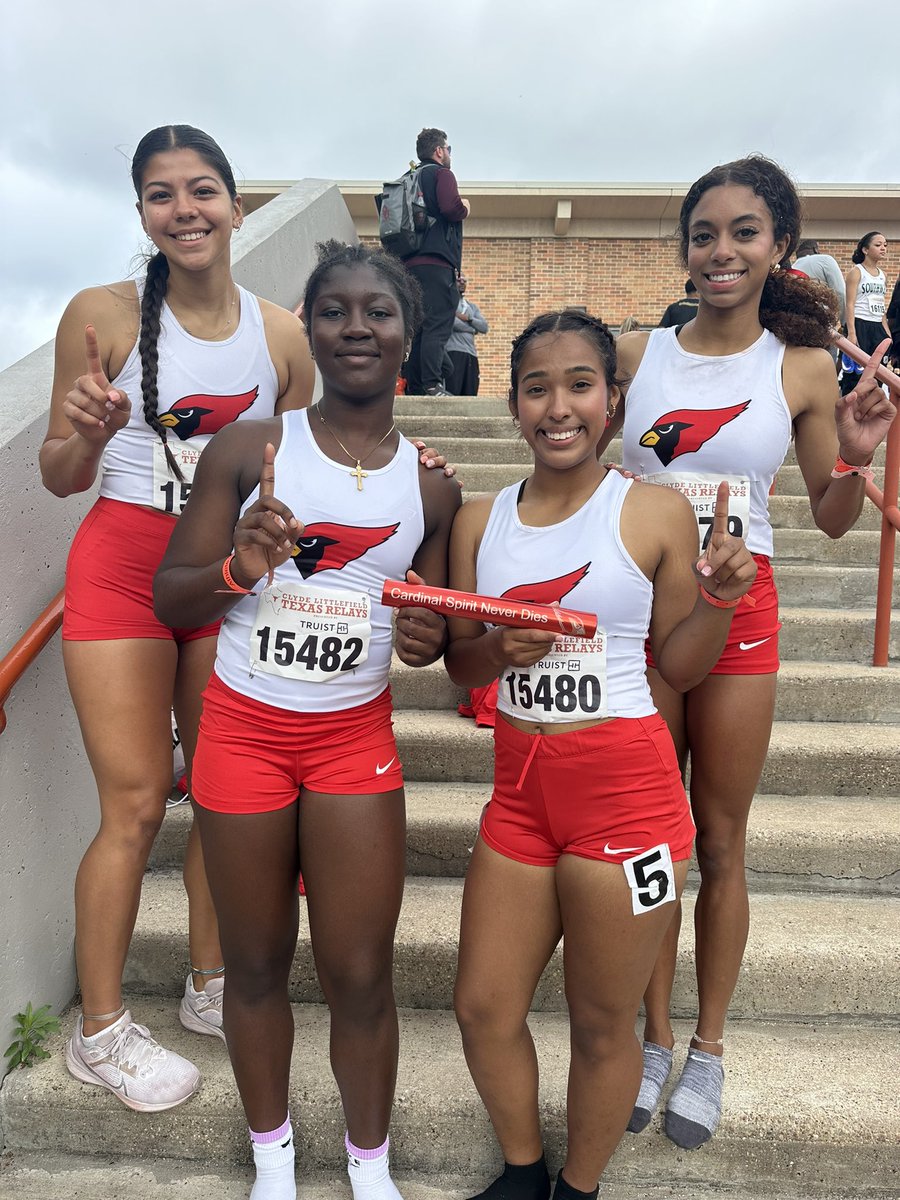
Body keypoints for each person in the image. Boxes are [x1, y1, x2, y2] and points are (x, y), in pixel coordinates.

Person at [154, 240, 461, 1200]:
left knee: (360, 972)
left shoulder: (434, 484)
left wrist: (428, 639)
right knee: (252, 968)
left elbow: (433, 631)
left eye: (379, 311)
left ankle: (370, 1167)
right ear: (310, 328)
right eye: (335, 310)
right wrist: (238, 567)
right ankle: (273, 1160)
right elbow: (171, 597)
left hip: (350, 739)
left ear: (409, 331)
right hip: (244, 732)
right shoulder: (248, 449)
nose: (356, 327)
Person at [607, 155, 895, 1150]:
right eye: (703, 234)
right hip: (643, 608)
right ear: (684, 250)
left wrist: (855, 454)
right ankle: (650, 1037)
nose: (720, 251)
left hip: (744, 605)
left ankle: (709, 1047)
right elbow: (580, 469)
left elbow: (830, 516)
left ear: (780, 247)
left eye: (743, 232)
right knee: (652, 837)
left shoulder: (801, 366)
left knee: (721, 839)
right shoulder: (637, 353)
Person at [446, 309, 759, 1200]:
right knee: (483, 1006)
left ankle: (578, 1189)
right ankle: (522, 1173)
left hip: (626, 797)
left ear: (612, 401)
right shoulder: (478, 521)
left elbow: (679, 667)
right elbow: (461, 665)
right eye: (536, 388)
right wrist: (492, 650)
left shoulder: (653, 511)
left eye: (579, 385)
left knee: (601, 1023)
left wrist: (721, 602)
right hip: (521, 794)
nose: (559, 407)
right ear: (513, 405)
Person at [39, 123, 316, 1112]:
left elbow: (302, 468)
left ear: (237, 207)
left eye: (203, 190)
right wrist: (85, 434)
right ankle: (101, 1030)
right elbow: (60, 477)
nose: (185, 209)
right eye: (162, 195)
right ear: (143, 214)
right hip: (121, 568)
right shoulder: (101, 315)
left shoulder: (282, 337)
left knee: (225, 792)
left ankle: (209, 981)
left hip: (223, 580)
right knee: (137, 802)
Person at [401, 128, 469, 397]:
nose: (449, 154)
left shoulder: (408, 177)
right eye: (448, 149)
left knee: (418, 327)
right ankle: (431, 385)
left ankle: (416, 387)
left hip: (408, 264)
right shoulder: (442, 174)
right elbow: (450, 208)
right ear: (439, 151)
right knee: (437, 325)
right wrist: (465, 207)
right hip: (436, 264)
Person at [841, 231, 891, 394]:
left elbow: (881, 306)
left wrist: (887, 333)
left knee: (878, 372)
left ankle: (873, 404)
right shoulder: (857, 272)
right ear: (865, 249)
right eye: (878, 245)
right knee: (855, 374)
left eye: (885, 245)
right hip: (860, 323)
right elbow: (850, 304)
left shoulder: (883, 276)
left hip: (877, 326)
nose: (883, 248)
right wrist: (852, 333)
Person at [793, 239, 846, 362]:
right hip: (823, 324)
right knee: (827, 363)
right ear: (816, 249)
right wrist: (844, 323)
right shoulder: (825, 260)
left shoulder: (793, 266)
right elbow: (840, 292)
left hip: (797, 326)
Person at [445, 274, 488, 395]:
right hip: (453, 352)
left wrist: (469, 318)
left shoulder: (471, 307)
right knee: (453, 391)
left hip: (471, 354)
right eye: (459, 280)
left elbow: (484, 327)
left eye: (465, 281)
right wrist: (473, 329)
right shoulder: (448, 304)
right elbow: (452, 323)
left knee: (470, 392)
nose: (462, 283)